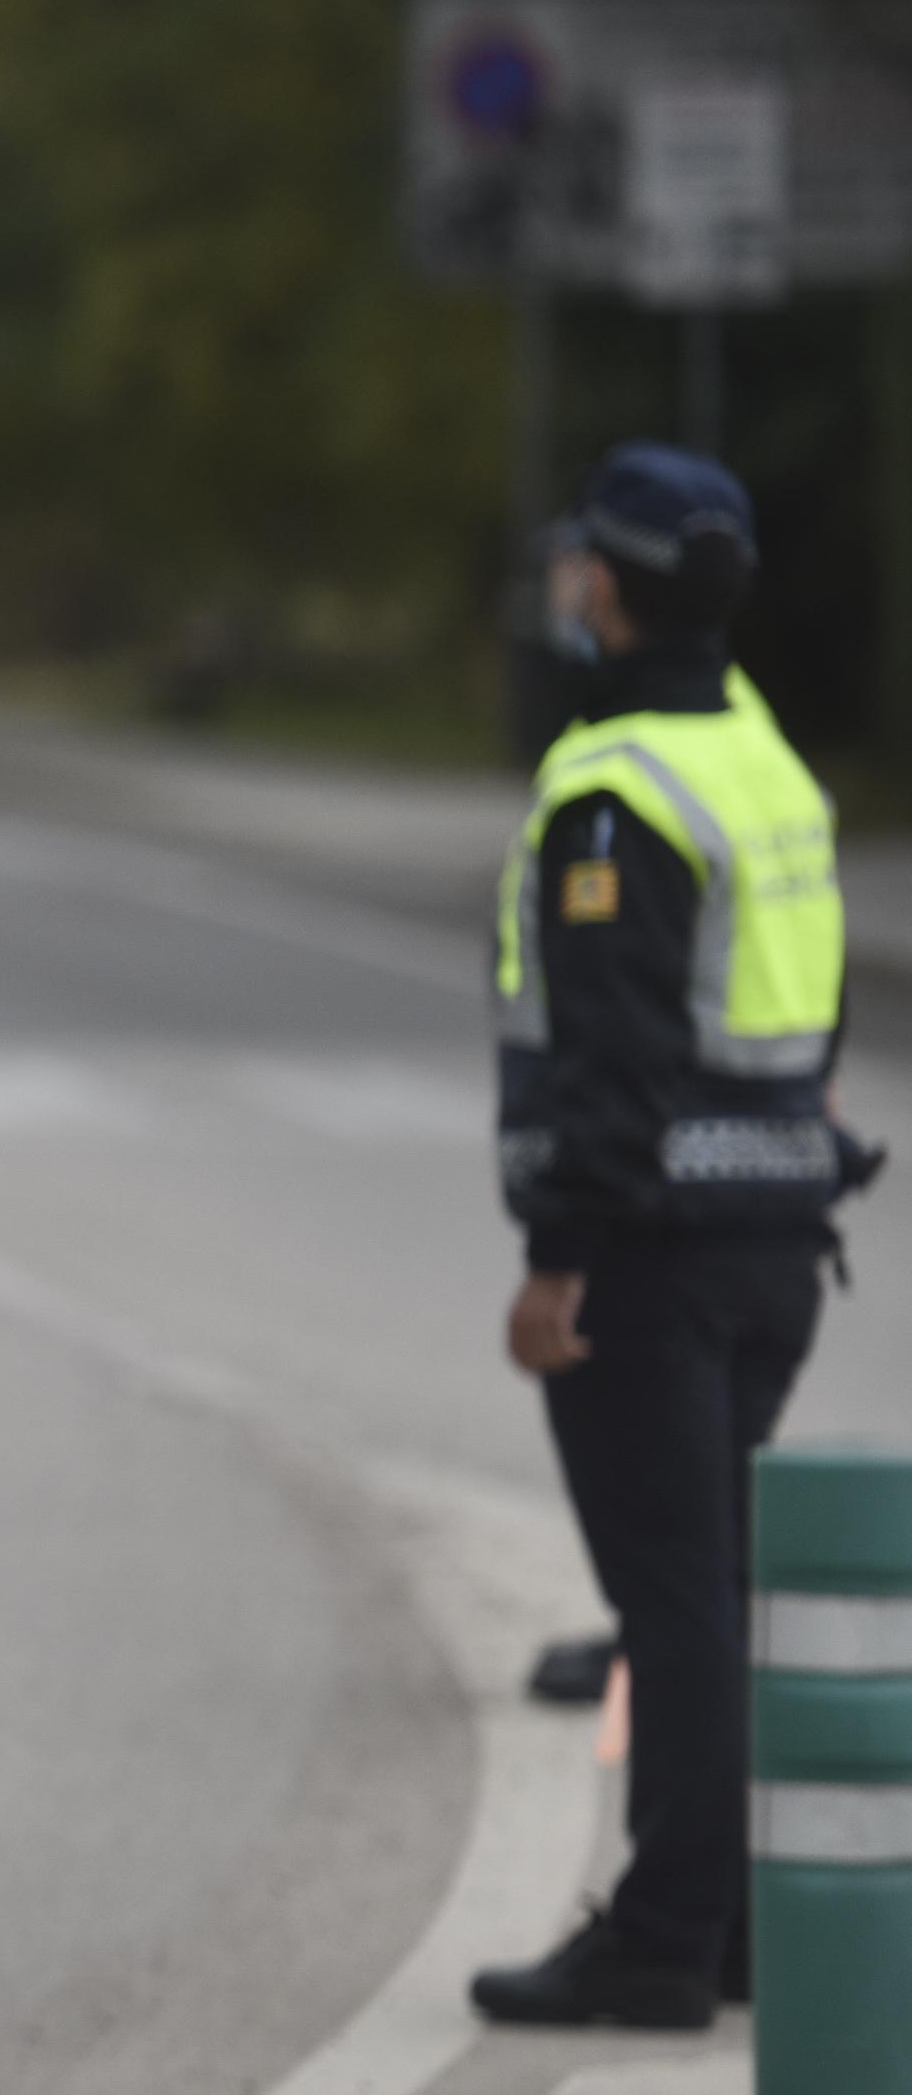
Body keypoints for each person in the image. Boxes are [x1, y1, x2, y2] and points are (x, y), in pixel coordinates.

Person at [470, 443, 872, 2031]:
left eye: (582, 563)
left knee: (679, 1601)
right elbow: (815, 1021)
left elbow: (614, 1058)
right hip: (781, 1240)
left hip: (652, 1257)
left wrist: (556, 1262)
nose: (571, 585)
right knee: (713, 1585)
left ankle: (662, 1937)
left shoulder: (617, 791)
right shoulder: (771, 768)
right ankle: (737, 1925)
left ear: (612, 586)